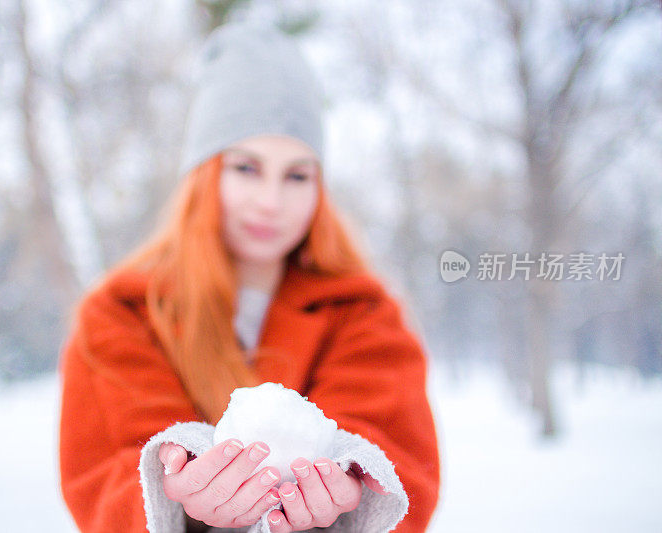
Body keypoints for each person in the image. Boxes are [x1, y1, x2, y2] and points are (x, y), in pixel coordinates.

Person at [58, 19, 440, 533]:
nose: (270, 202)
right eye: (246, 168)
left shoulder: (362, 312)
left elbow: (394, 450)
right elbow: (107, 470)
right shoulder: (123, 311)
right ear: (204, 173)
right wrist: (172, 492)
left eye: (297, 175)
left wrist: (352, 486)